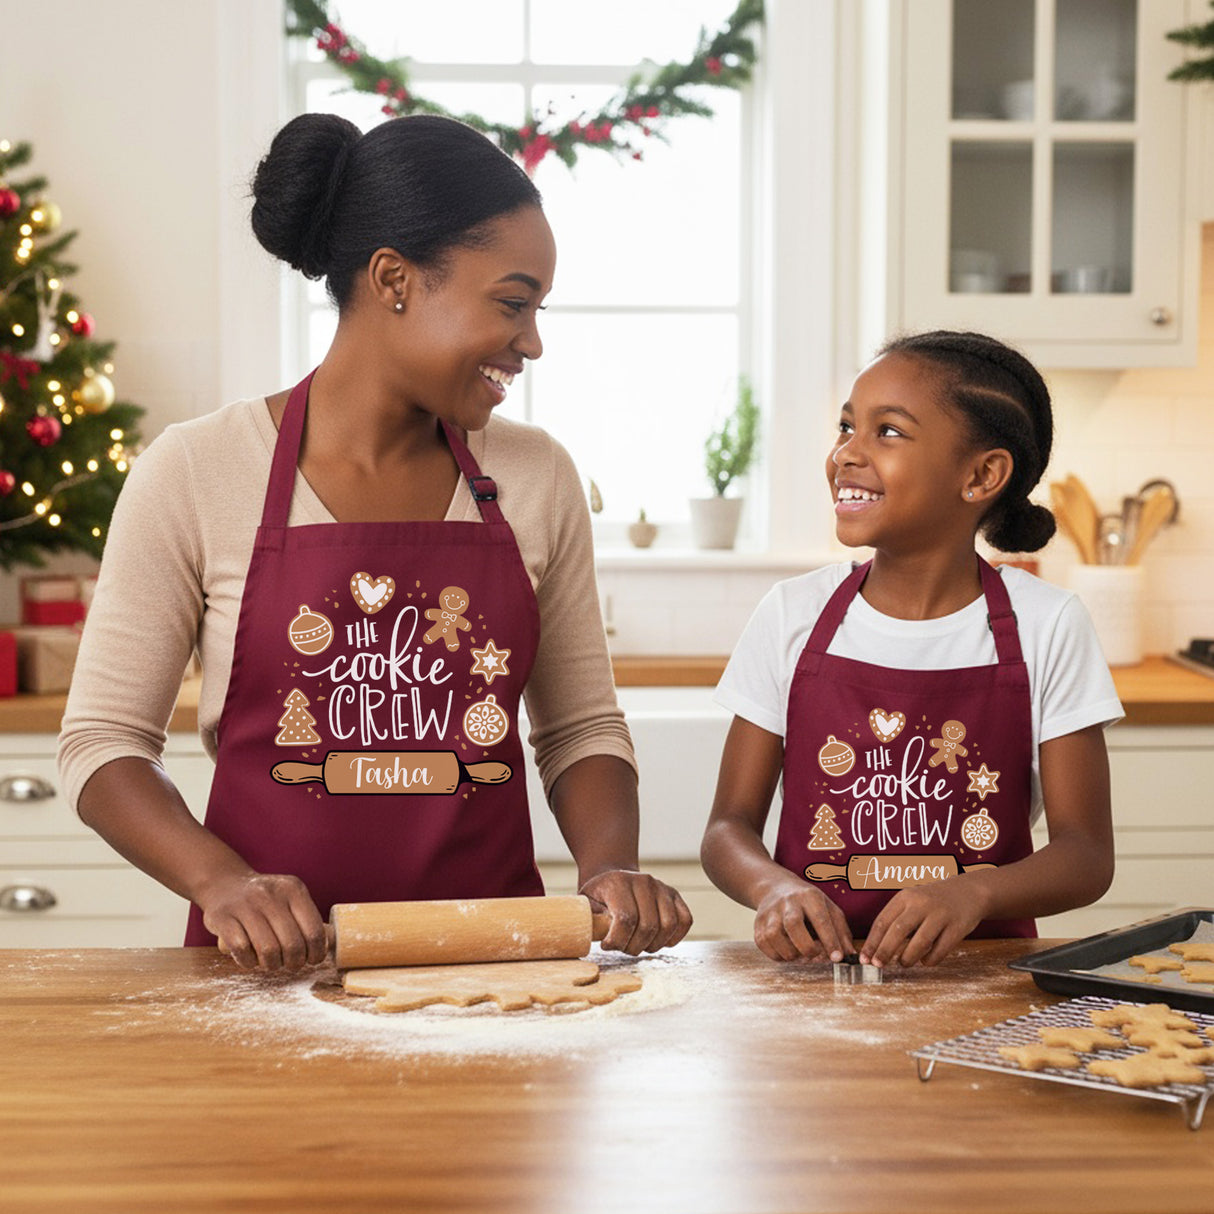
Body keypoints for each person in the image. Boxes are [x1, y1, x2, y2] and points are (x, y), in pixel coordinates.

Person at [59, 112, 691, 970]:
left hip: (494, 972)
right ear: (394, 277)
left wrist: (609, 868)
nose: (533, 342)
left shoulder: (537, 476)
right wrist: (222, 883)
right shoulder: (197, 470)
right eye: (512, 303)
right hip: (264, 983)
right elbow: (101, 745)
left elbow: (579, 729)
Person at [701, 330, 1121, 969]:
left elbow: (1086, 854)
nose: (847, 452)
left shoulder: (1048, 624)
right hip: (816, 981)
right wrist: (773, 886)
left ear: (981, 475)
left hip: (982, 977)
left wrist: (974, 891)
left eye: (887, 432)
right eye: (846, 427)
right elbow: (727, 828)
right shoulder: (793, 614)